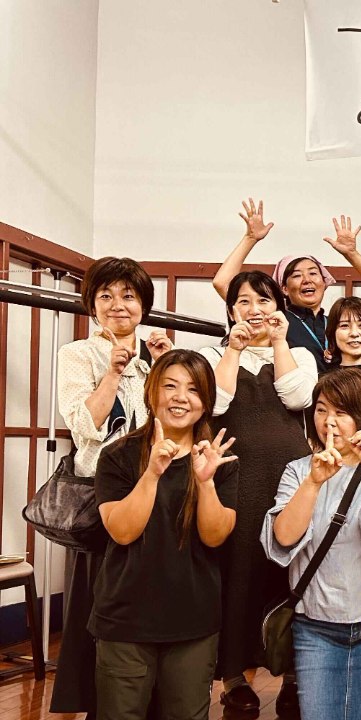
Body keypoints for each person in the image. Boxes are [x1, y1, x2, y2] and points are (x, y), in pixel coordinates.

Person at [52, 256, 172, 714]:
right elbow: (84, 426)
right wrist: (114, 372)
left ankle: (156, 699)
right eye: (106, 296)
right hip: (102, 492)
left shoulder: (157, 352)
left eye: (128, 295)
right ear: (92, 304)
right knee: (102, 601)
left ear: (144, 305)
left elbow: (179, 418)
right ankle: (103, 704)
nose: (118, 305)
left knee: (154, 595)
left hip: (158, 487)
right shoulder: (77, 354)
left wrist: (165, 365)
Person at [92, 349, 238, 719]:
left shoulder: (216, 460)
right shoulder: (118, 455)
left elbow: (215, 536)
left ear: (206, 401)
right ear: (152, 391)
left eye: (193, 389)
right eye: (170, 386)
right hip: (126, 621)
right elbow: (122, 531)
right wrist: (153, 472)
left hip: (193, 621)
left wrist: (205, 483)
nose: (180, 397)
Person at [198, 270, 318, 714]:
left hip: (291, 478)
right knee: (239, 572)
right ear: (231, 311)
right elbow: (214, 402)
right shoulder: (213, 354)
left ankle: (292, 676)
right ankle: (234, 678)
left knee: (292, 571)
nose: (255, 310)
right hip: (236, 477)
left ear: (279, 307)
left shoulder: (299, 354)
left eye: (264, 300)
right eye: (244, 302)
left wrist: (280, 342)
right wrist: (234, 349)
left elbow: (298, 398)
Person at [263, 368, 361, 720]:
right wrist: (314, 482)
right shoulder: (298, 471)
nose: (328, 421)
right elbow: (283, 537)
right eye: (321, 410)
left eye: (341, 412)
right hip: (315, 623)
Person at [213, 198, 361, 367]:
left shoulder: (339, 321)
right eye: (297, 275)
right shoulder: (275, 318)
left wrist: (351, 254)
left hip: (335, 389)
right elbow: (222, 283)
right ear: (284, 288)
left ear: (324, 282)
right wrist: (250, 239)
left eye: (313, 273)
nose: (307, 280)